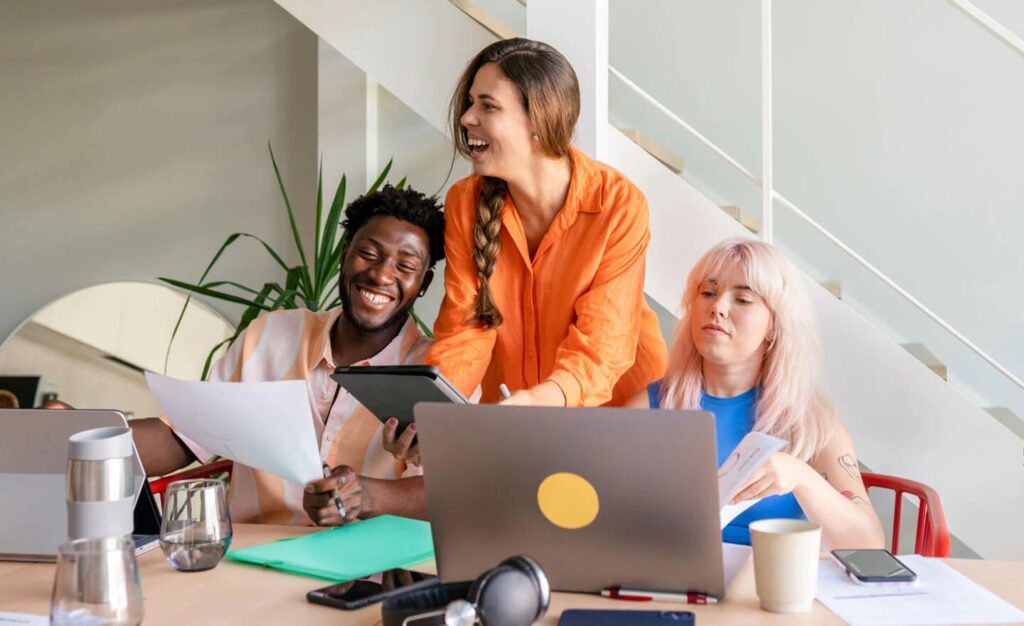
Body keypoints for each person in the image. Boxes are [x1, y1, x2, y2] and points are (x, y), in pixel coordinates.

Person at [132, 184, 445, 526]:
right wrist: (83, 436)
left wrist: (365, 495)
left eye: (405, 266)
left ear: (425, 283)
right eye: (368, 254)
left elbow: (453, 491)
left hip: (367, 574)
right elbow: (186, 435)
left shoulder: (439, 369)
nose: (382, 274)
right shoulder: (270, 336)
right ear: (344, 254)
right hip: (251, 565)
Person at [423, 38, 667, 410]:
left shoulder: (617, 204)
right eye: (471, 102)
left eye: (488, 106)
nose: (467, 117)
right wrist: (429, 414)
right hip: (517, 414)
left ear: (539, 120)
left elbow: (602, 345)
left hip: (621, 414)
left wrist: (536, 402)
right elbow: (465, 330)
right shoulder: (465, 203)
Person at [630, 238, 884, 549]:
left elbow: (868, 542)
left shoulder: (810, 421)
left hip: (770, 589)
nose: (718, 307)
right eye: (707, 293)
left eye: (743, 299)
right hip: (676, 586)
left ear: (775, 326)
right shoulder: (650, 407)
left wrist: (801, 476)